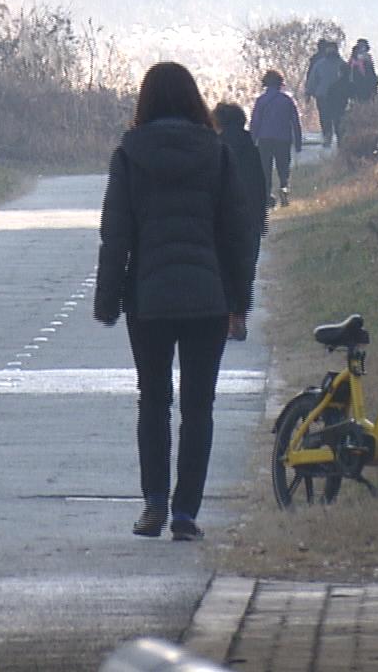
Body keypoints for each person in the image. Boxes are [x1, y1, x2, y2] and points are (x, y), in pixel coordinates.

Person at [93, 62, 254, 542]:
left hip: (149, 299)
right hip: (207, 299)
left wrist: (107, 302)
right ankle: (186, 513)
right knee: (199, 407)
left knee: (154, 402)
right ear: (193, 99)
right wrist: (238, 302)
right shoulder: (217, 153)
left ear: (145, 100)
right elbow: (237, 234)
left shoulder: (129, 154)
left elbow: (115, 233)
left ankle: (153, 505)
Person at [210, 101, 269, 342]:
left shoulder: (217, 147)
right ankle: (239, 318)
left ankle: (226, 319)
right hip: (249, 220)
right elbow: (260, 186)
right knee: (245, 269)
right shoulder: (250, 147)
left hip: (223, 220)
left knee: (222, 269)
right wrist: (261, 217)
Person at [250, 70, 302, 208]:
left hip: (265, 139)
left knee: (265, 168)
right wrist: (298, 141)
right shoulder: (287, 100)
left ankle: (267, 195)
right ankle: (284, 189)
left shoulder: (260, 101)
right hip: (283, 139)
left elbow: (255, 122)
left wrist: (252, 140)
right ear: (280, 83)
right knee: (283, 167)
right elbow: (295, 122)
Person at [303, 38, 349, 148]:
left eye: (333, 49)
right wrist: (308, 92)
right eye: (329, 49)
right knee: (325, 117)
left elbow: (348, 80)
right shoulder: (319, 64)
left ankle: (340, 138)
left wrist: (349, 93)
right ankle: (327, 135)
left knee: (339, 118)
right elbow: (313, 79)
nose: (331, 51)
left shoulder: (342, 64)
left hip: (339, 96)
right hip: (323, 95)